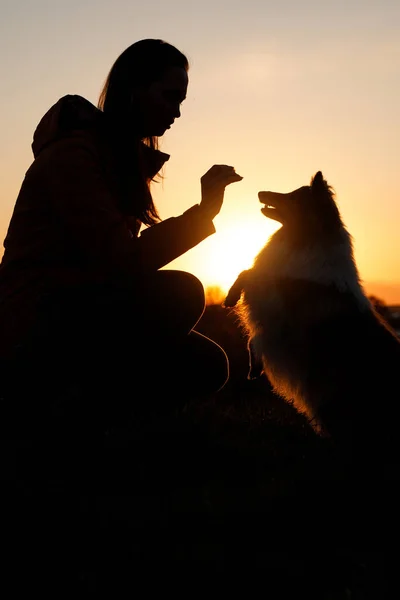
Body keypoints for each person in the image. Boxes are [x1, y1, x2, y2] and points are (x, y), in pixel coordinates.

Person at [0, 39, 243, 439]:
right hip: (35, 325)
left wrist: (204, 214)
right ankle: (58, 413)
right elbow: (122, 262)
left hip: (81, 312)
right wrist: (201, 217)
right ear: (134, 90)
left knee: (209, 364)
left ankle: (102, 415)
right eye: (169, 97)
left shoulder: (118, 161)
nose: (177, 112)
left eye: (181, 100)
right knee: (182, 293)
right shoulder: (74, 157)